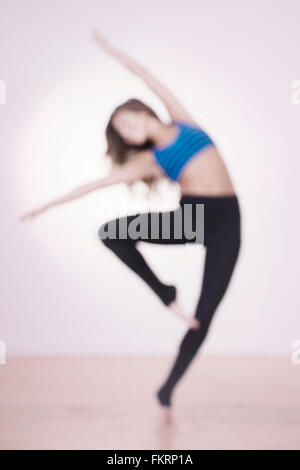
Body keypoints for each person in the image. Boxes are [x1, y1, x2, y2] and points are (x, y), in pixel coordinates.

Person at [20, 29, 242, 425]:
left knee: (203, 316)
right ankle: (163, 290)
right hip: (192, 219)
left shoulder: (183, 122)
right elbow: (92, 186)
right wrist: (45, 207)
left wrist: (109, 49)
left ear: (142, 111)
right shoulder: (149, 161)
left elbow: (146, 75)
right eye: (120, 131)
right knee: (111, 232)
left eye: (126, 120)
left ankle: (167, 388)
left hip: (228, 221)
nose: (126, 131)